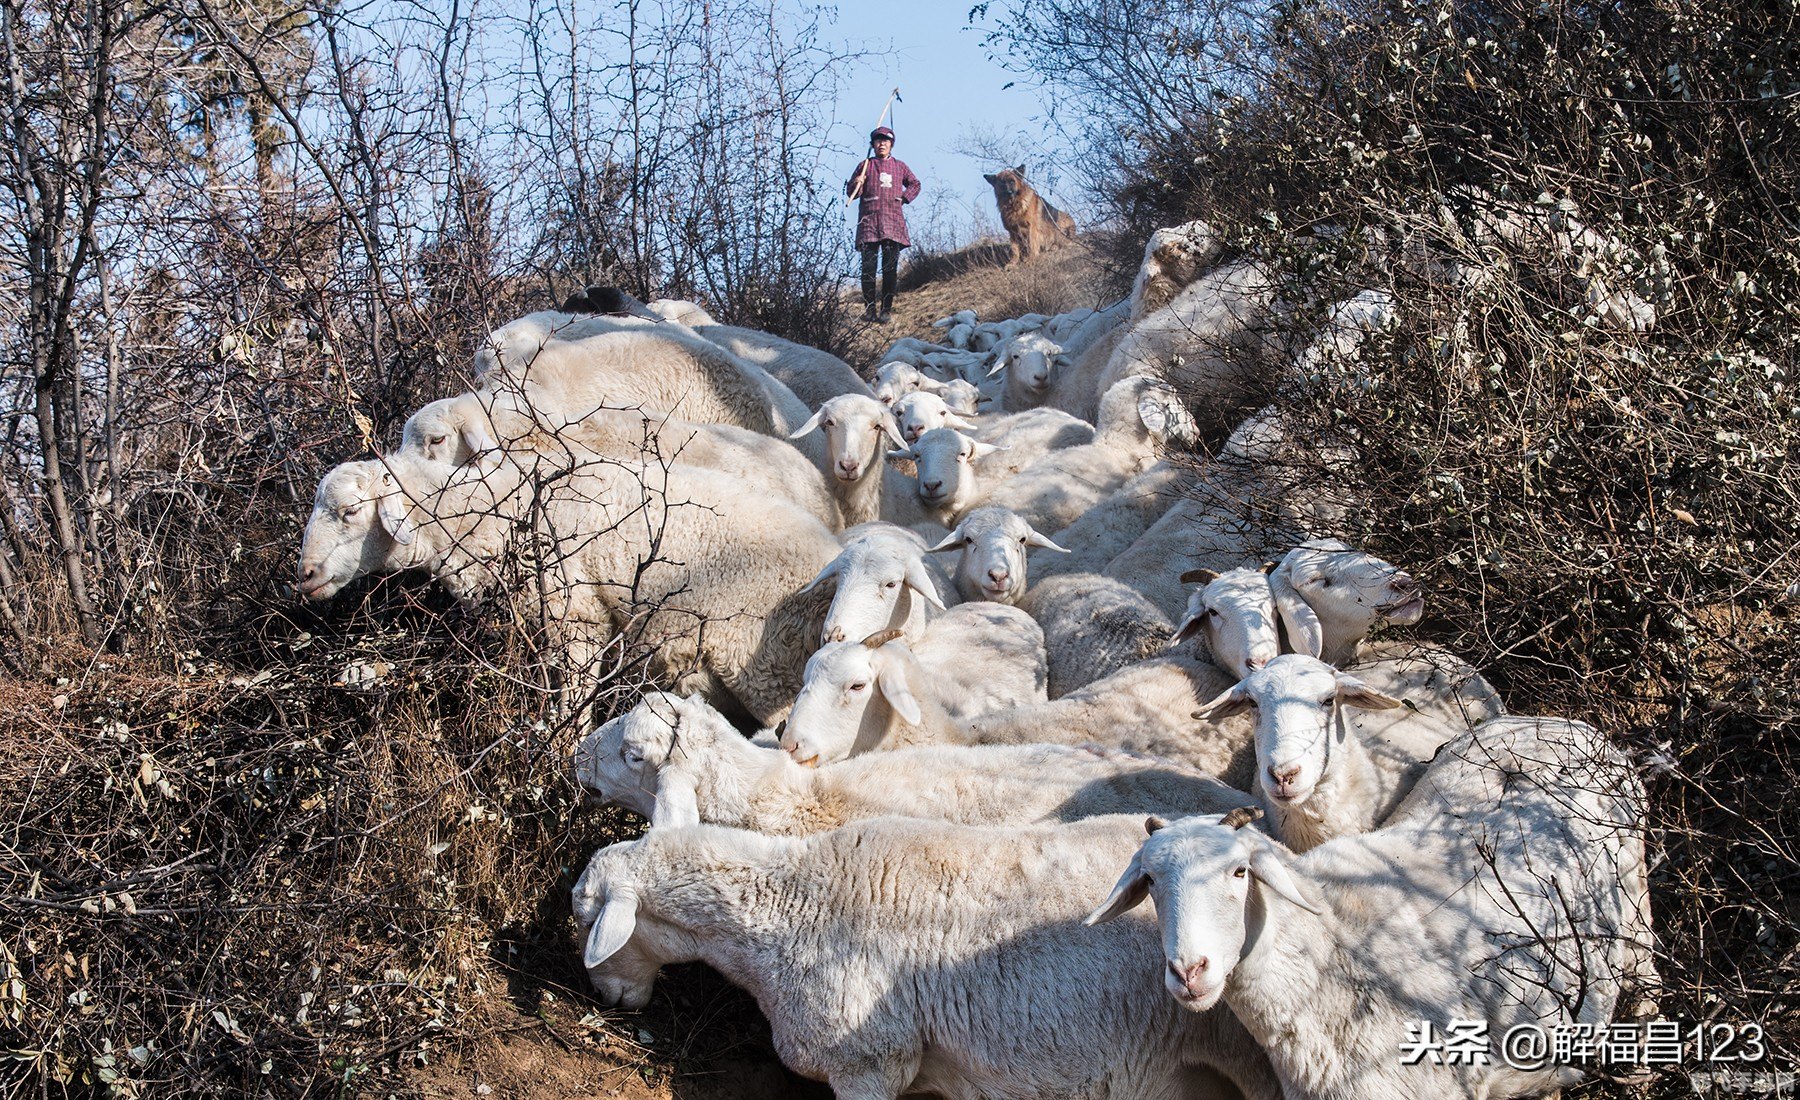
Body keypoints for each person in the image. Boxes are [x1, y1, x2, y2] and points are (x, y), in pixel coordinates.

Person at [846, 126, 920, 323]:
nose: (882, 144)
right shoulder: (865, 166)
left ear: (891, 145)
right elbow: (851, 193)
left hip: (892, 222)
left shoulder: (900, 166)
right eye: (878, 141)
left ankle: (886, 310)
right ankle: (869, 310)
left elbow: (915, 184)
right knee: (868, 269)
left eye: (885, 141)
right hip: (869, 222)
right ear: (872, 144)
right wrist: (857, 182)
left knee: (889, 269)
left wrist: (904, 198)